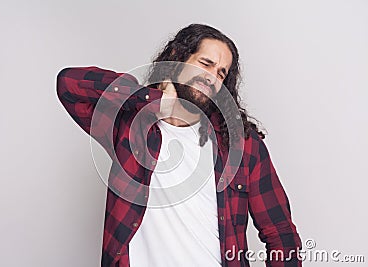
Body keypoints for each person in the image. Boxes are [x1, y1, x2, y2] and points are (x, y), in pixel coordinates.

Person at [56, 23, 302, 267]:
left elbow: (280, 233)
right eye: (205, 64)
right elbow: (69, 84)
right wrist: (151, 100)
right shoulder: (131, 125)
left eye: (220, 73)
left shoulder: (242, 144)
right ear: (176, 58)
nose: (211, 77)